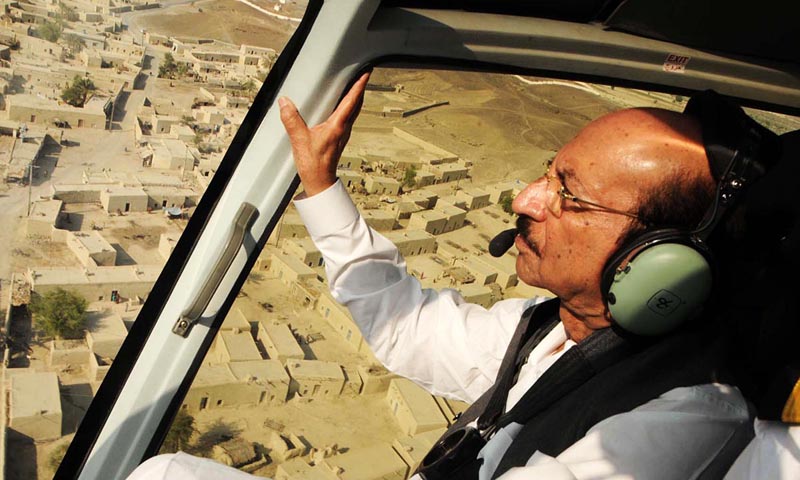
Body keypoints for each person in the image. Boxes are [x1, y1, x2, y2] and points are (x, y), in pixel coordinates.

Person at [128, 75, 753, 479]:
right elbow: (410, 326)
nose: (526, 198)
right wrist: (320, 186)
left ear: (659, 259)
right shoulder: (543, 332)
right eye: (546, 173)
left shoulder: (681, 419)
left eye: (570, 196)